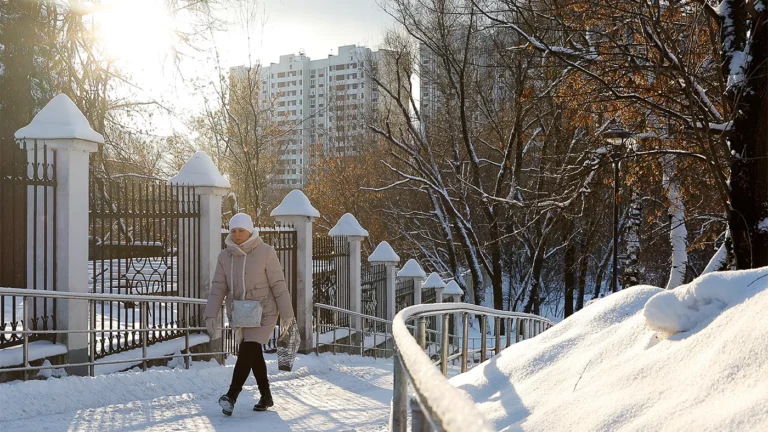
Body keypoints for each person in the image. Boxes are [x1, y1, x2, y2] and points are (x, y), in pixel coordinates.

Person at [204, 213, 295, 416]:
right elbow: (218, 287)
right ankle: (266, 395)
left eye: (241, 230)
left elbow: (278, 285)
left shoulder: (265, 252)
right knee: (253, 354)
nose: (237, 235)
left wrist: (287, 314)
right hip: (242, 313)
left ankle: (232, 395)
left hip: (265, 311)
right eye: (233, 231)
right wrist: (211, 314)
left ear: (250, 230)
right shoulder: (224, 257)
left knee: (248, 347)